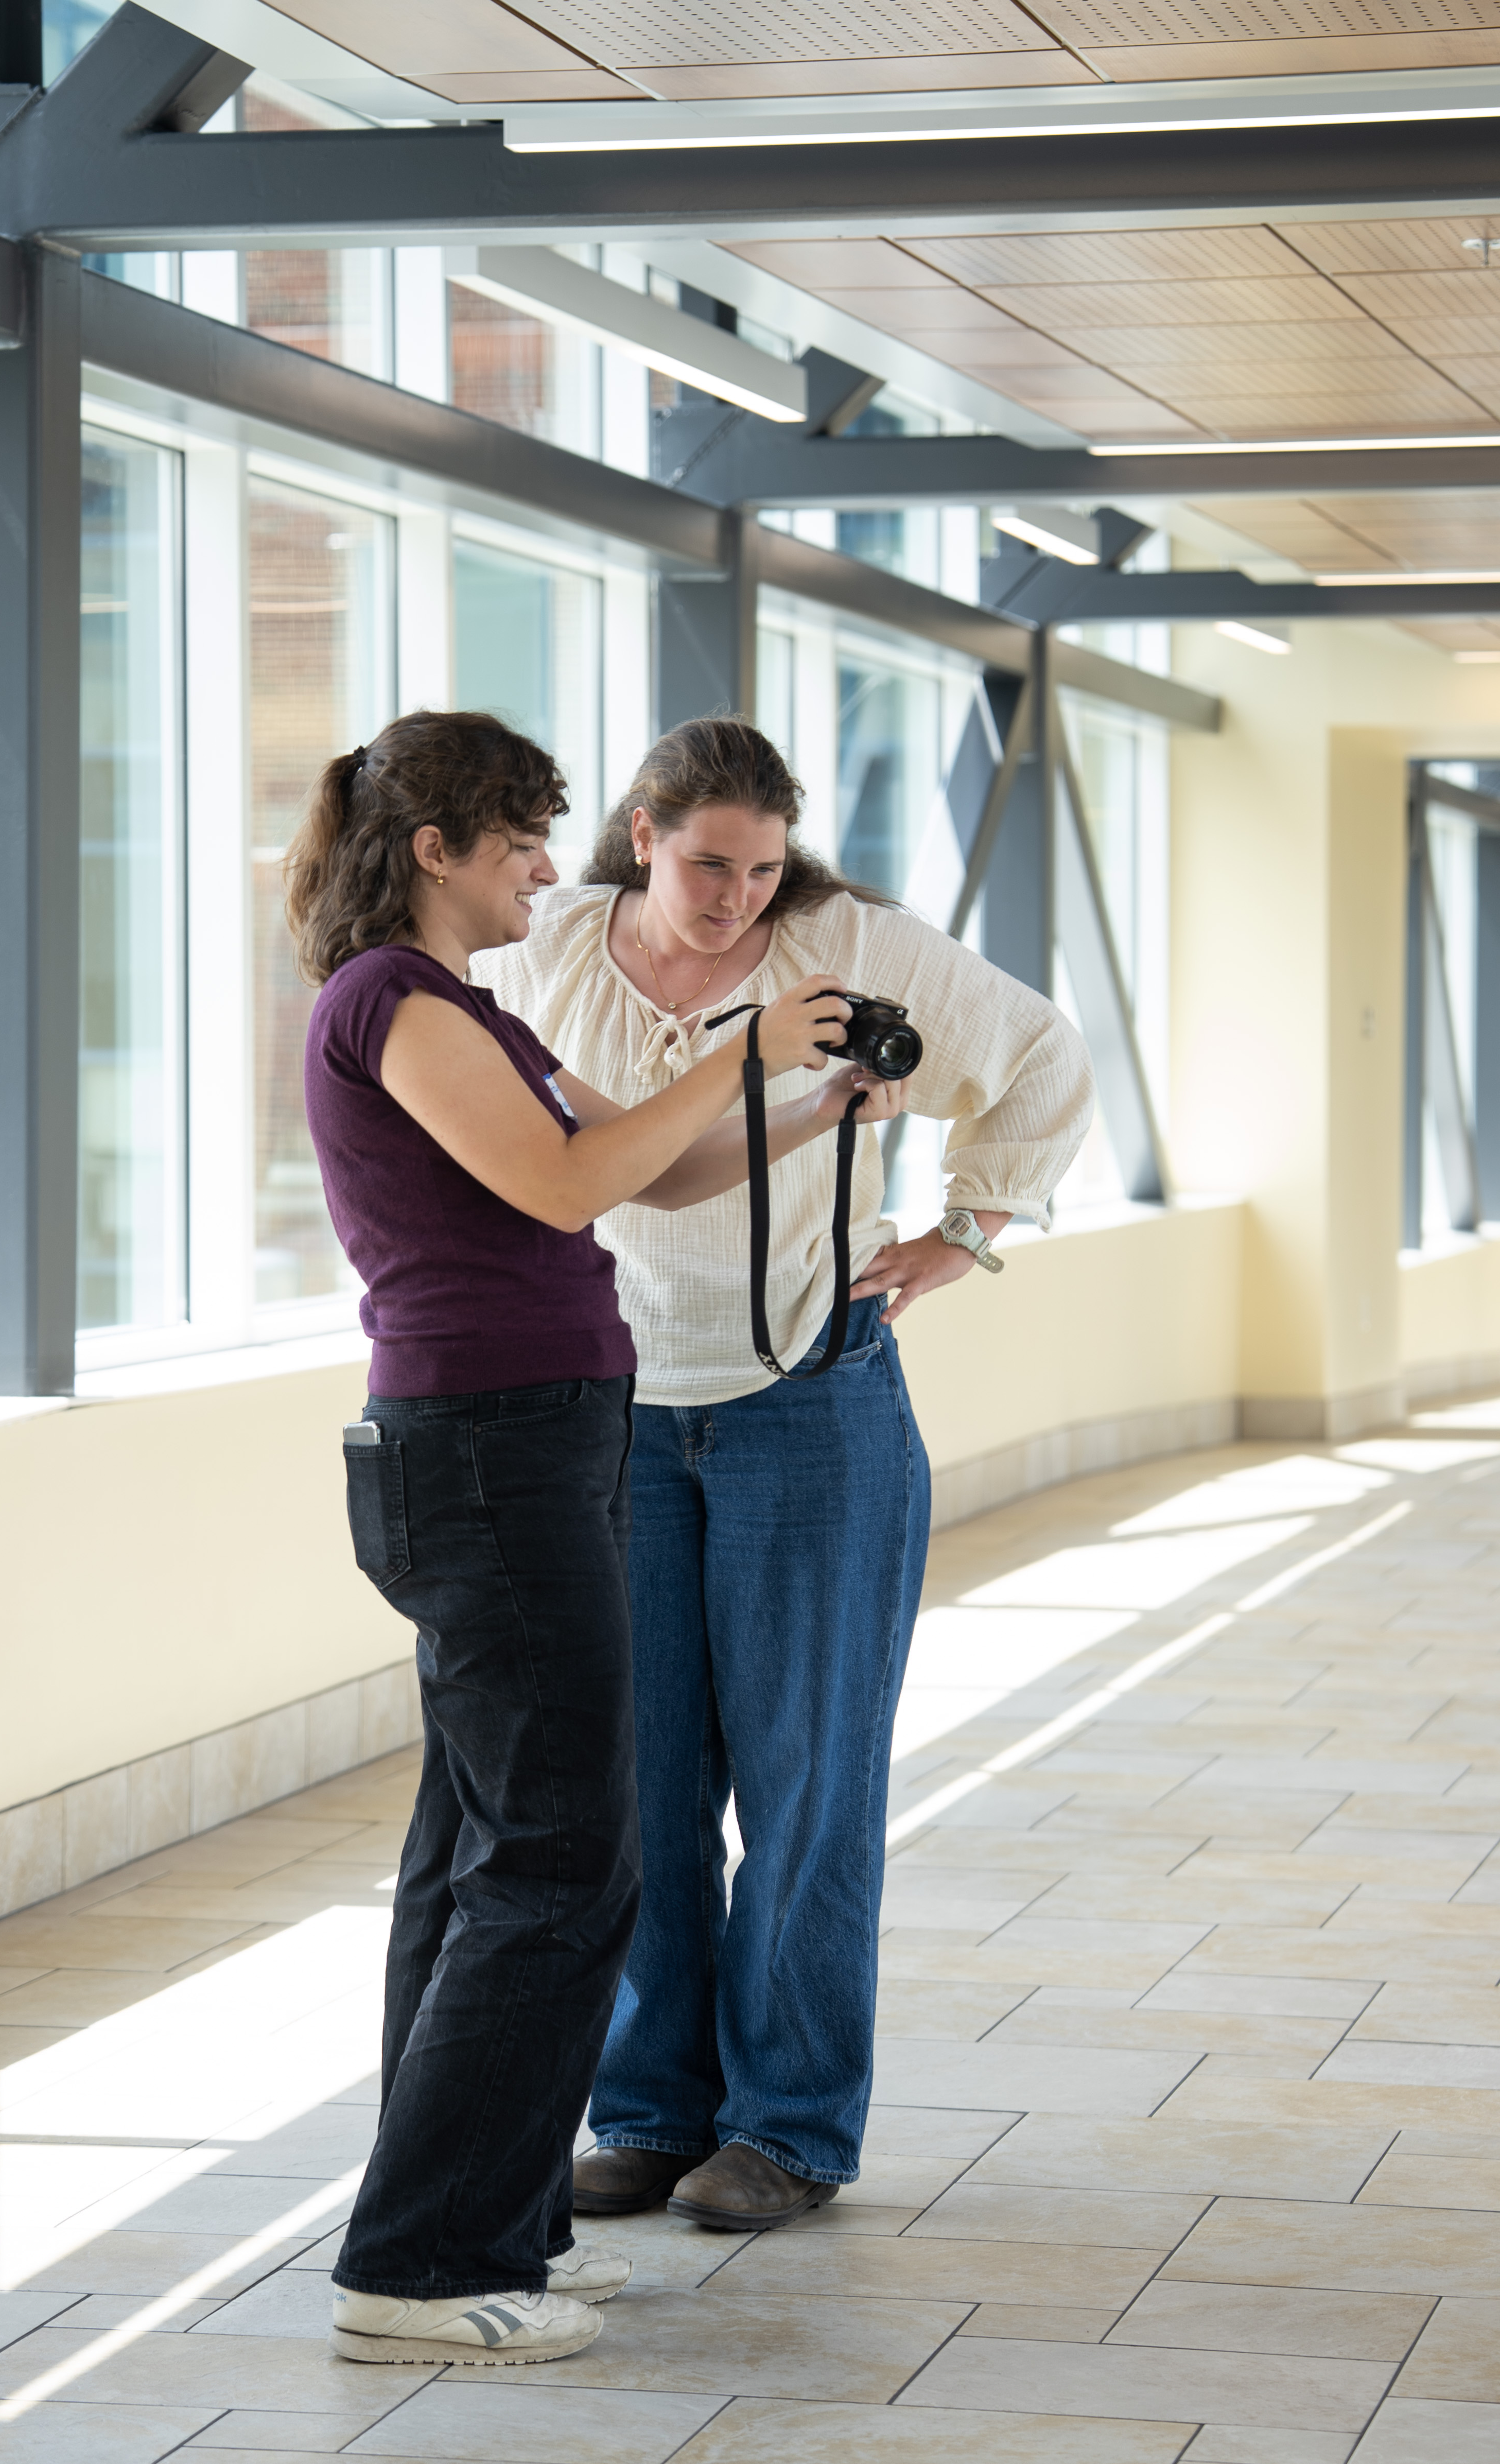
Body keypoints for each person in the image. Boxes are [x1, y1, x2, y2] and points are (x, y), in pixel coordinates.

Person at [287, 708, 900, 2369]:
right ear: (435, 849)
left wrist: (810, 1096)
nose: (548, 873)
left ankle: (484, 2221)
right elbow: (562, 1194)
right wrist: (742, 1044)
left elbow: (642, 1171)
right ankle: (418, 2261)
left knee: (485, 1850)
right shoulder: (389, 1008)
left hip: (531, 1453)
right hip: (485, 1461)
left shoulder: (468, 1012)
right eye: (522, 844)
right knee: (567, 1853)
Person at [481, 714, 1093, 2232]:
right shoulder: (544, 948)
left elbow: (1041, 1057)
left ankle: (793, 2128)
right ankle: (648, 2108)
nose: (734, 899)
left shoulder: (845, 942)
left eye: (760, 868)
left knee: (809, 1782)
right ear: (642, 836)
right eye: (706, 866)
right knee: (645, 1784)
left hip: (810, 1410)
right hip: (616, 1410)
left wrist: (965, 1229)